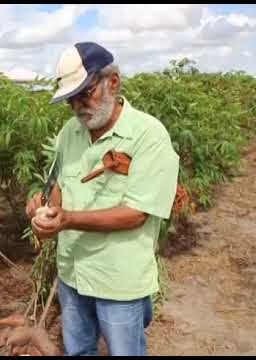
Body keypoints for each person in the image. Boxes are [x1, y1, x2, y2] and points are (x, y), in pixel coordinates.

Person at [26, 42, 179, 356]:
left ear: (113, 81)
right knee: (78, 350)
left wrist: (67, 220)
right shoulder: (71, 131)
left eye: (86, 92)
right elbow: (57, 186)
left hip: (118, 281)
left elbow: (137, 213)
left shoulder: (149, 135)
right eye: (71, 98)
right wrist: (42, 204)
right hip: (72, 273)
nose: (78, 105)